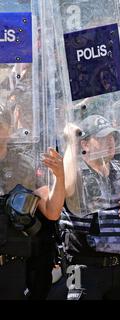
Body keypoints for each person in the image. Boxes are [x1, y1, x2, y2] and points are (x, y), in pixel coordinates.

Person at [60, 114, 120, 300]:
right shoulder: (75, 170)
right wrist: (71, 142)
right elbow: (67, 188)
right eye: (101, 138)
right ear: (84, 144)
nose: (110, 143)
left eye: (112, 138)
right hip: (86, 269)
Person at [0, 106, 65, 300]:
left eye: (1, 125)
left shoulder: (24, 164)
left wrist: (59, 177)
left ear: (10, 129)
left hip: (13, 267)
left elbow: (52, 211)